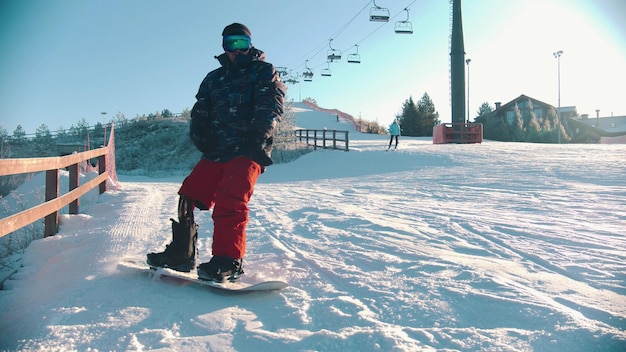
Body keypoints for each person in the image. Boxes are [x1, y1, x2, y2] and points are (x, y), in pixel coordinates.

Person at [147, 23, 286, 282]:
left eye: (241, 43)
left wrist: (257, 137)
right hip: (218, 150)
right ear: (223, 47)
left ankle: (228, 260)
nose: (236, 50)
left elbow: (271, 106)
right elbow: (201, 110)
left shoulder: (263, 72)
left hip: (247, 149)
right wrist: (201, 137)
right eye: (230, 44)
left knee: (231, 198)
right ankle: (182, 254)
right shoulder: (213, 78)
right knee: (189, 195)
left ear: (250, 44)